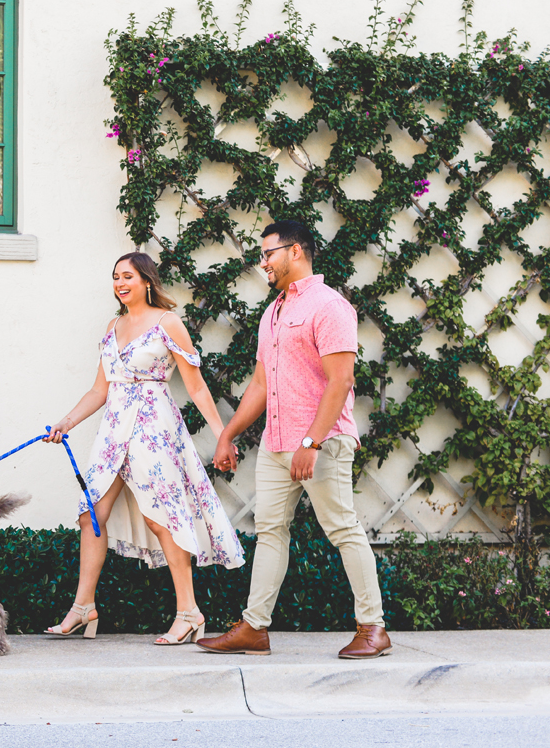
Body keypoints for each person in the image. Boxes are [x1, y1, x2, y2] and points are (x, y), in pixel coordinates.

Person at [200, 221, 391, 660]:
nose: (263, 262)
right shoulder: (275, 311)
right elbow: (261, 384)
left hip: (321, 442)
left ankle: (373, 627)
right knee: (269, 531)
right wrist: (228, 434)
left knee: (343, 528)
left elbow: (341, 381)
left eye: (269, 253)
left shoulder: (330, 306)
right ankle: (254, 627)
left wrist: (312, 442)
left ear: (297, 252)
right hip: (276, 442)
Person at [43, 252, 244, 644]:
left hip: (153, 426)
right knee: (91, 515)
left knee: (161, 517)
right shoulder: (112, 325)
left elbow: (197, 386)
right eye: (115, 276)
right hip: (113, 427)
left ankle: (189, 611)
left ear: (147, 281)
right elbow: (100, 389)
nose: (120, 283)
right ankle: (84, 607)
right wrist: (66, 422)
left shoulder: (168, 322)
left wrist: (224, 435)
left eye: (128, 276)